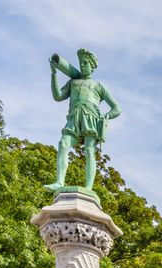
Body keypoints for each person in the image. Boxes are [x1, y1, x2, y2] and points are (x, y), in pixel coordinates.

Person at [45, 48, 121, 192]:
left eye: (85, 63)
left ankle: (88, 187)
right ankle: (59, 182)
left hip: (91, 118)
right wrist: (54, 73)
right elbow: (58, 96)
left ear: (92, 66)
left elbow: (117, 108)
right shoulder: (73, 82)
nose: (82, 65)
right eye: (81, 62)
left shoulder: (98, 86)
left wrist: (106, 116)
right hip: (74, 117)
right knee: (63, 143)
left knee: (89, 150)